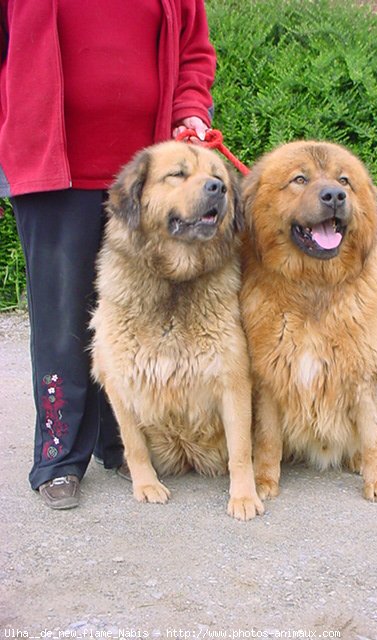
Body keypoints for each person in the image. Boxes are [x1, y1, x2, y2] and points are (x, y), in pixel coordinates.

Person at [0, 0, 216, 509]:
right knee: (62, 319)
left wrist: (190, 109)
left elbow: (193, 52)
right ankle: (58, 456)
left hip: (149, 179)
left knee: (137, 315)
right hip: (53, 168)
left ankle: (123, 445)